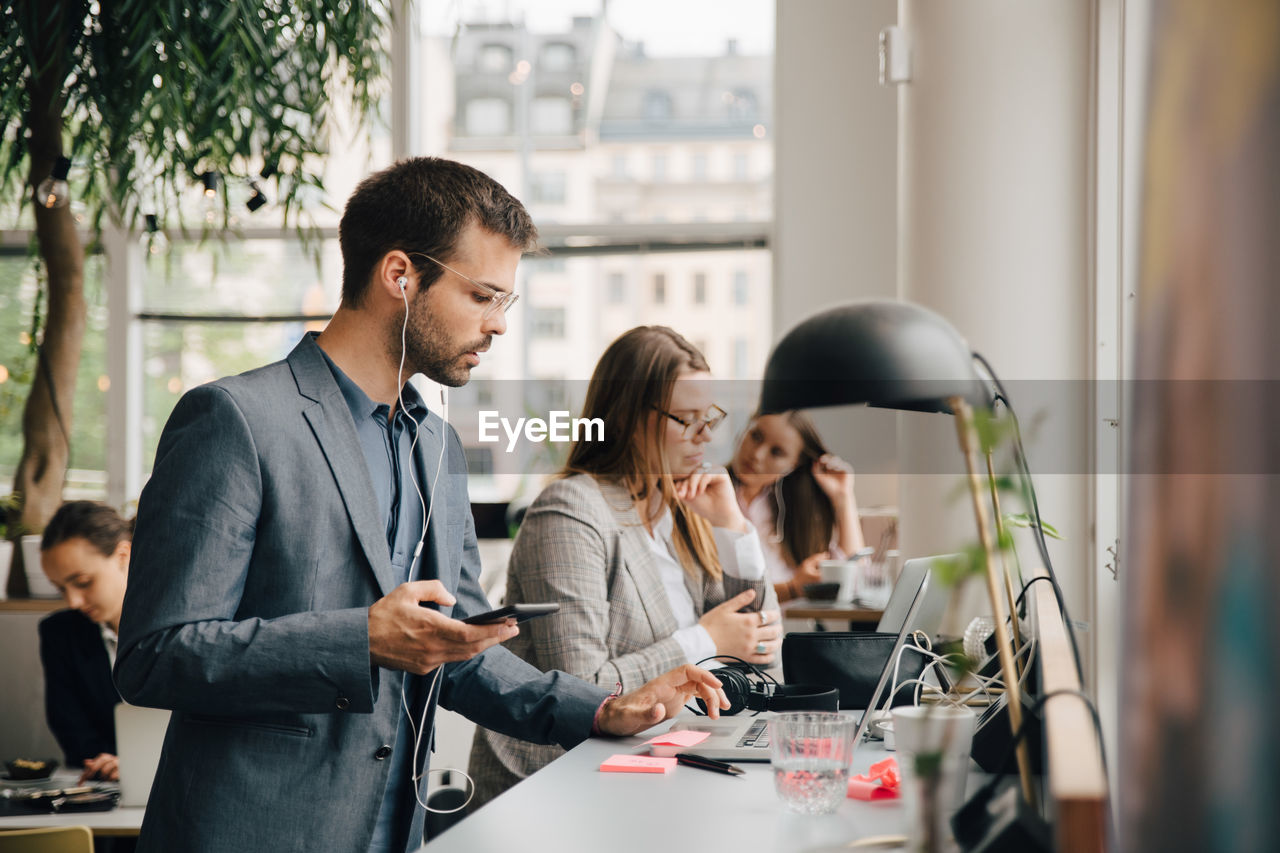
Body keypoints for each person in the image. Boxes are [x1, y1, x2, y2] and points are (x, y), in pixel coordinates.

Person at [113, 157, 728, 853]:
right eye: (483, 296)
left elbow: (460, 648)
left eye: (506, 302)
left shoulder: (436, 445)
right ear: (400, 275)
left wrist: (605, 709)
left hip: (397, 832)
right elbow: (155, 656)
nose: (498, 326)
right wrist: (362, 639)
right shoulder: (236, 419)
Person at [468, 326, 782, 808]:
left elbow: (758, 653)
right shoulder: (571, 510)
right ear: (631, 418)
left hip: (658, 768)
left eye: (710, 418)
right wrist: (705, 641)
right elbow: (580, 690)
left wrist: (733, 529)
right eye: (687, 419)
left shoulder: (683, 508)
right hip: (558, 787)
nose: (705, 436)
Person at [37, 500, 131, 783]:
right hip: (102, 790)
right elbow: (74, 735)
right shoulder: (60, 633)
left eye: (83, 581)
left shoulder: (181, 627)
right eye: (60, 588)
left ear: (123, 556)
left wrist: (139, 763)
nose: (73, 601)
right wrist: (112, 764)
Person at [728, 411, 866, 602]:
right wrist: (792, 588)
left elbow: (855, 576)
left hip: (791, 629)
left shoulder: (795, 512)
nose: (757, 455)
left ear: (795, 464)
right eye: (756, 436)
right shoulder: (703, 494)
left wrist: (844, 497)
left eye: (776, 452)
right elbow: (716, 596)